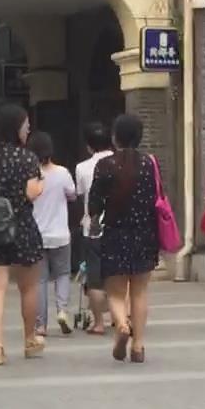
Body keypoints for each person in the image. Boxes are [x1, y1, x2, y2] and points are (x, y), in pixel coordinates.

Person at [88, 113, 160, 364]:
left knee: (116, 292)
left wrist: (94, 219)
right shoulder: (149, 163)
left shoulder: (105, 165)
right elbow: (155, 198)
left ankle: (121, 324)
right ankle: (138, 346)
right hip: (145, 234)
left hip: (115, 233)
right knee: (139, 292)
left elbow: (94, 204)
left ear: (115, 137)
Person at [0, 103, 45, 363]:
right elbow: (31, 193)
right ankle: (29, 339)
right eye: (25, 125)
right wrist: (41, 185)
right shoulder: (28, 158)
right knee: (28, 288)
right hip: (23, 226)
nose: (28, 129)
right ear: (16, 127)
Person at [27, 129, 76, 335]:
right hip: (60, 234)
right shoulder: (62, 173)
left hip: (37, 235)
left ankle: (40, 325)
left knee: (40, 280)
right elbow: (72, 195)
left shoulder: (29, 176)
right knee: (62, 274)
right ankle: (62, 310)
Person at [76, 122, 112, 334]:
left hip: (93, 228)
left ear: (89, 146)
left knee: (95, 279)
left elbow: (81, 194)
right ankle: (121, 317)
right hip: (119, 227)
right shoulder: (120, 162)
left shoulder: (82, 167)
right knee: (120, 276)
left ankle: (98, 323)